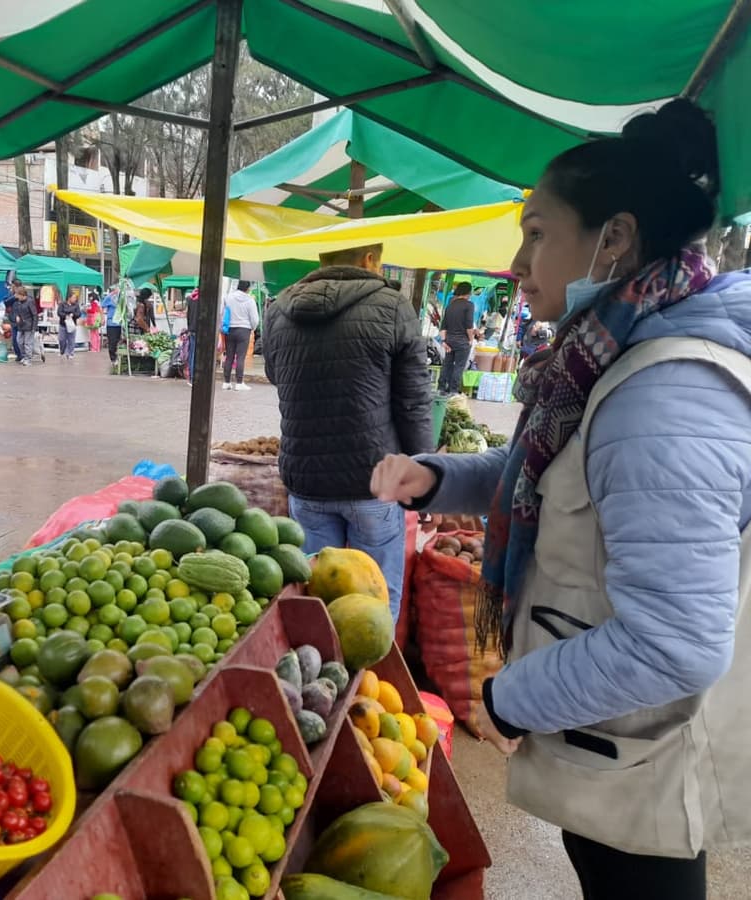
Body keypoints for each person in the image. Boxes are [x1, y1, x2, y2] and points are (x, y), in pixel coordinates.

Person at [371, 99, 751, 900]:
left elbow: (677, 641)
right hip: (616, 738)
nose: (517, 261)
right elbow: (551, 472)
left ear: (614, 238)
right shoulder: (612, 351)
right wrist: (438, 478)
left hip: (646, 752)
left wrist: (512, 698)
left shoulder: (665, 396)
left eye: (537, 232)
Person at [264, 242, 430, 622]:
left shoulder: (278, 310)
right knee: (374, 605)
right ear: (370, 260)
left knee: (315, 599)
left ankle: (322, 661)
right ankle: (373, 663)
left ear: (322, 259)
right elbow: (414, 402)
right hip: (373, 481)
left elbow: (276, 375)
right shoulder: (393, 306)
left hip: (306, 480)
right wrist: (425, 475)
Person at [437, 281, 477, 394]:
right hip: (462, 341)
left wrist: (444, 341)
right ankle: (453, 391)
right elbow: (469, 325)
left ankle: (441, 388)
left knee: (447, 364)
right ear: (468, 292)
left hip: (449, 340)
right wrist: (471, 339)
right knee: (459, 366)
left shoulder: (450, 305)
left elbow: (443, 326)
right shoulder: (469, 305)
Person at [221, 279, 260, 391]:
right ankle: (239, 383)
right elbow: (254, 319)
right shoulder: (250, 300)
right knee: (240, 357)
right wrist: (252, 328)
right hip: (244, 330)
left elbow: (222, 313)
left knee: (229, 356)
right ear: (248, 288)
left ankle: (226, 382)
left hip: (230, 329)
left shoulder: (228, 297)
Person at [12, 285, 39, 366]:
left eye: (17, 295)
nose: (16, 296)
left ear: (22, 295)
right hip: (21, 325)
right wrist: (17, 316)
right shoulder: (18, 302)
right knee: (19, 341)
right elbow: (16, 311)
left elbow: (35, 315)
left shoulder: (30, 302)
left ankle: (28, 359)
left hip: (29, 326)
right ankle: (24, 356)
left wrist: (34, 327)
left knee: (28, 343)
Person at [58, 290, 82, 360]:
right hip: (63, 324)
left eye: (75, 298)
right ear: (69, 298)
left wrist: (73, 314)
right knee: (61, 339)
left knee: (71, 339)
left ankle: (70, 353)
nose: (75, 299)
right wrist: (65, 316)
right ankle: (62, 351)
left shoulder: (76, 305)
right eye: (73, 297)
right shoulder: (62, 304)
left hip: (72, 325)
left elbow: (79, 314)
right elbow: (59, 313)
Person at [103, 285, 121, 363]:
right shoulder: (109, 297)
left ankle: (118, 357)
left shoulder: (121, 298)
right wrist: (102, 318)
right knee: (112, 341)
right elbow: (102, 305)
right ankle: (113, 359)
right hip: (111, 323)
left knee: (118, 341)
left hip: (120, 323)